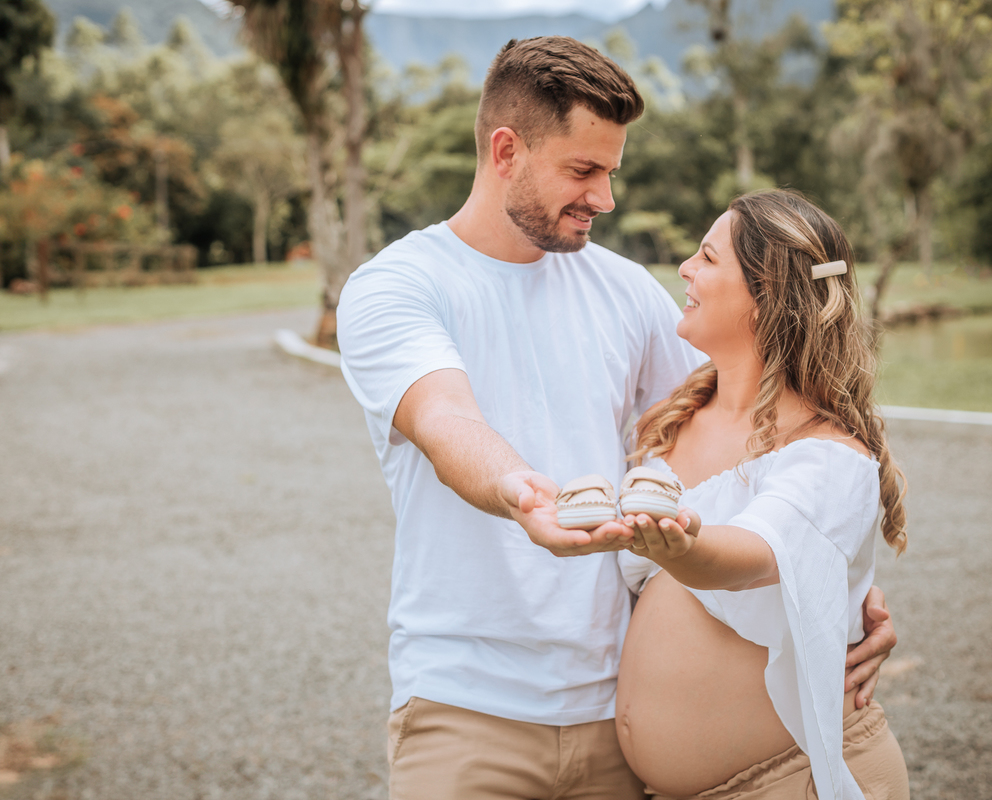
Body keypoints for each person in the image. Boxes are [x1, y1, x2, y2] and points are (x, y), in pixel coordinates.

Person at [336, 37, 898, 800]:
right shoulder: (398, 287)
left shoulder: (627, 292)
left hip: (613, 719)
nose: (605, 197)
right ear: (506, 151)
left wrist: (836, 583)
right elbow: (443, 419)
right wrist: (522, 494)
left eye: (611, 171)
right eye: (583, 171)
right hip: (466, 711)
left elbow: (745, 443)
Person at [613, 189, 910, 800]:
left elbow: (748, 558)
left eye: (706, 257)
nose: (686, 270)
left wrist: (678, 543)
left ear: (767, 292)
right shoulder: (669, 424)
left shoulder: (831, 457)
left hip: (790, 779)